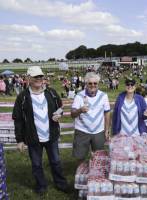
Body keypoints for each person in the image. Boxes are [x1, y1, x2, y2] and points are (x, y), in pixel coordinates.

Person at [12, 66, 68, 195]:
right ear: (28, 78)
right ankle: (41, 185)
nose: (39, 79)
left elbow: (60, 107)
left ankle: (61, 184)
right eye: (36, 77)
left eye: (40, 76)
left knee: (56, 161)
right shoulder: (22, 97)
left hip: (52, 135)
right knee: (37, 164)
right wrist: (19, 140)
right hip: (33, 137)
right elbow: (18, 119)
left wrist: (59, 114)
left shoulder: (51, 93)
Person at [71, 72, 110, 162]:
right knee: (80, 157)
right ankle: (81, 174)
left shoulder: (103, 96)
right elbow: (72, 114)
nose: (93, 85)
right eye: (90, 83)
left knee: (99, 157)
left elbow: (107, 113)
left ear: (98, 84)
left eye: (95, 83)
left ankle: (96, 175)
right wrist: (80, 110)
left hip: (98, 131)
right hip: (82, 131)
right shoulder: (79, 96)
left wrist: (107, 129)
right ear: (86, 84)